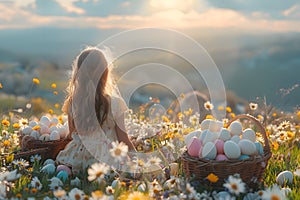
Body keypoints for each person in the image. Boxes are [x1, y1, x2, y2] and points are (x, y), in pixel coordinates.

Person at [56, 46, 136, 173]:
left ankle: (69, 171)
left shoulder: (73, 102)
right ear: (105, 73)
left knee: (63, 169)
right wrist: (138, 161)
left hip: (79, 156)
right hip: (105, 157)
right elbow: (123, 139)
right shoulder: (115, 103)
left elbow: (72, 134)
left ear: (78, 73)